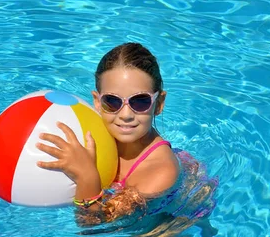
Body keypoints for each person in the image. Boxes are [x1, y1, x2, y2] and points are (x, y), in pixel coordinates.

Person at [36, 42, 180, 223]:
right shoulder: (90, 129)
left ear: (159, 103)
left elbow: (95, 226)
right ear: (97, 102)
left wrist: (86, 176)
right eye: (112, 101)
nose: (126, 115)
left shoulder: (160, 173)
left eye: (140, 101)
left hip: (169, 221)